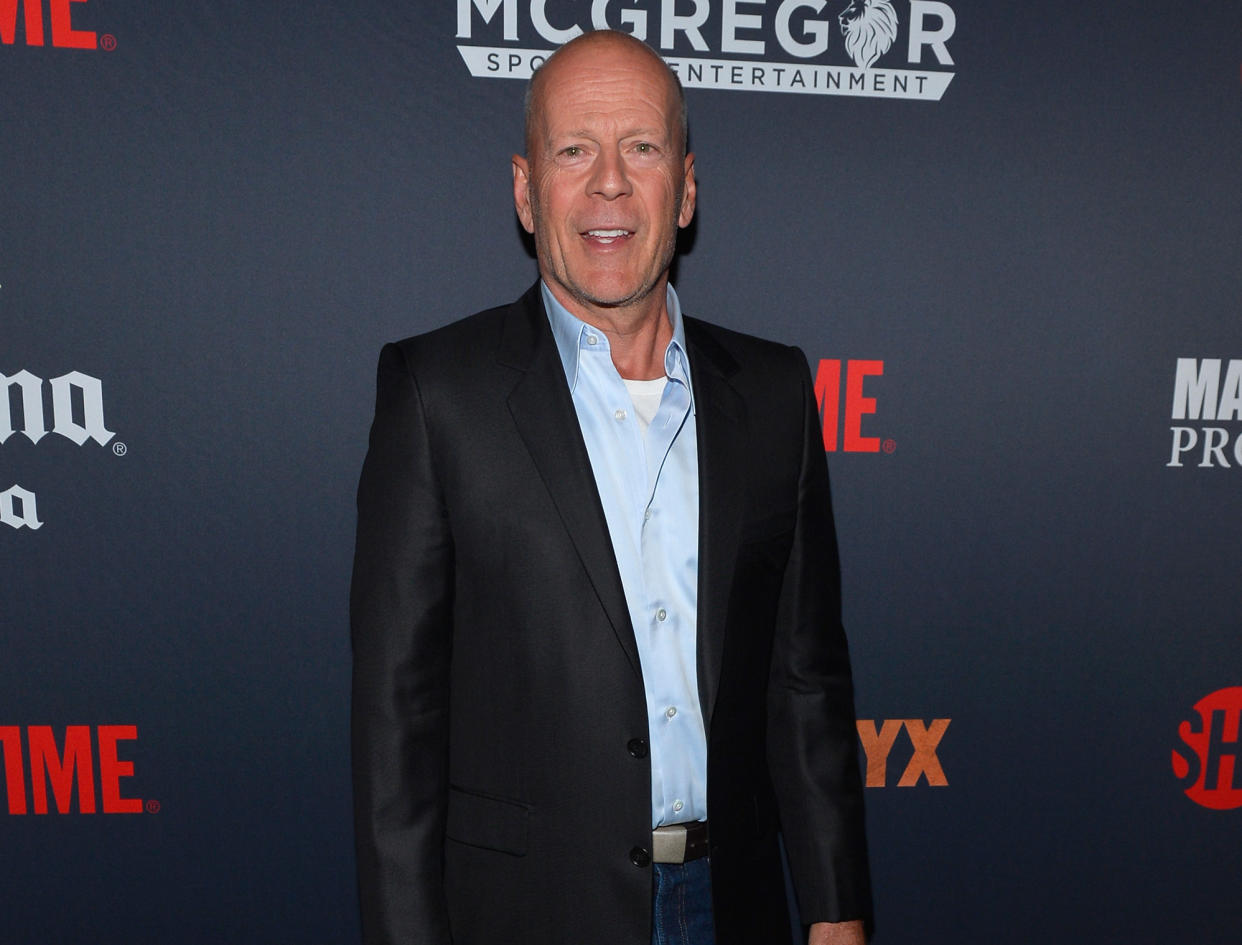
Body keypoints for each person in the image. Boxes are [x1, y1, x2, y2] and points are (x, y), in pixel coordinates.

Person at [350, 29, 872, 945]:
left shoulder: (777, 391)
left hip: (732, 900)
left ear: (687, 187)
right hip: (526, 914)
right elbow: (399, 724)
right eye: (574, 150)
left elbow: (806, 683)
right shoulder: (439, 394)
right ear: (524, 189)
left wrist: (833, 908)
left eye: (641, 146)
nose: (609, 183)